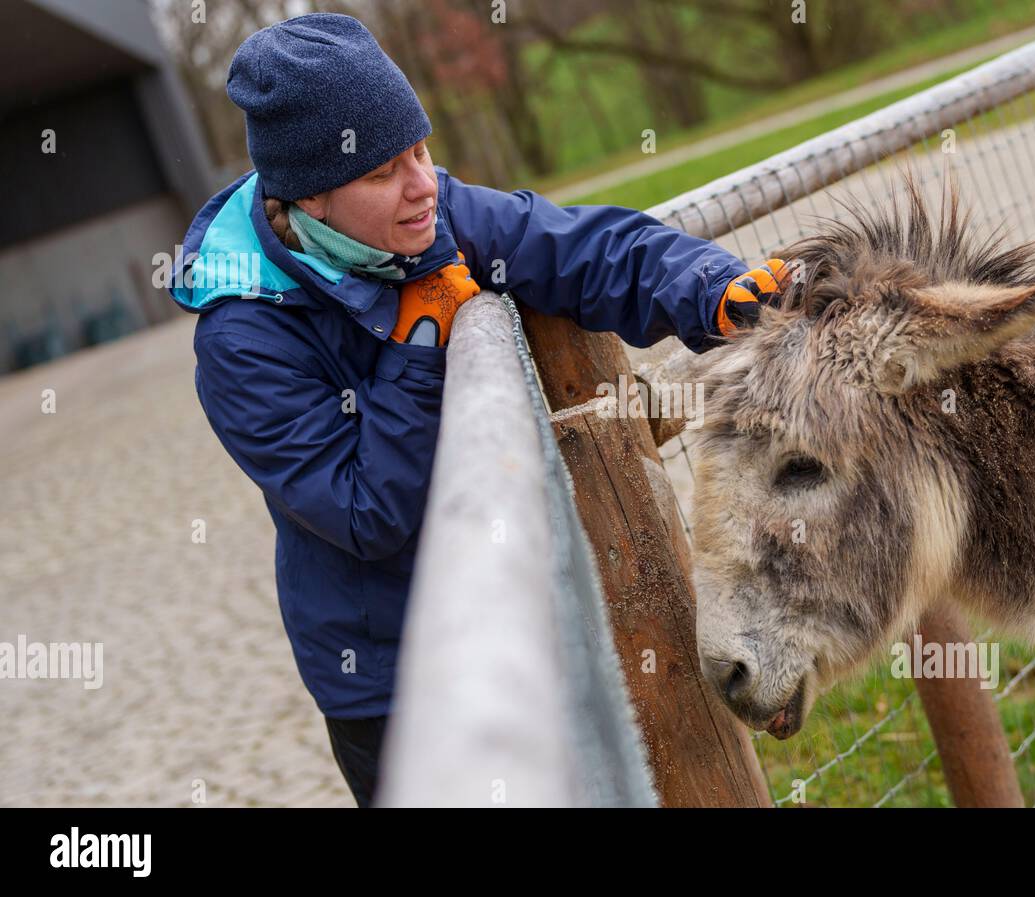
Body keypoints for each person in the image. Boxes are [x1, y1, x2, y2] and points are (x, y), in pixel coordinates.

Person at [168, 12, 787, 807]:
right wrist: (424, 336)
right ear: (311, 197)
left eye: (420, 149)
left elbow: (578, 249)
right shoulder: (242, 339)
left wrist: (712, 290)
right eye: (385, 169)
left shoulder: (427, 216)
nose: (423, 182)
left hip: (522, 610)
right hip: (392, 679)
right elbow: (366, 509)